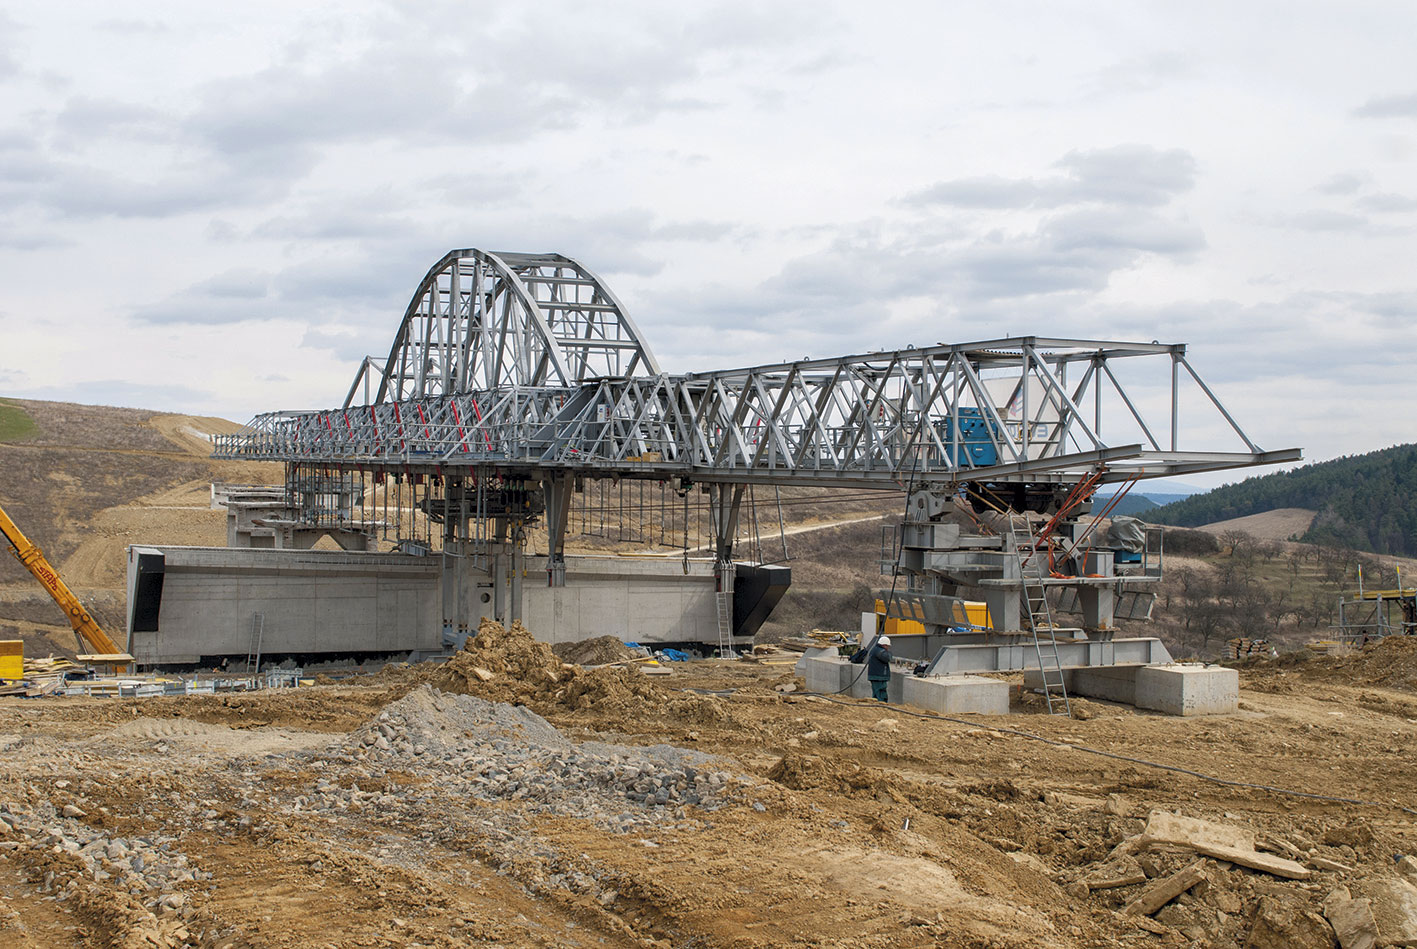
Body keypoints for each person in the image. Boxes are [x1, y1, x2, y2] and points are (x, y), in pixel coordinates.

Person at [851, 634, 893, 701]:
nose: (888, 648)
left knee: (877, 693)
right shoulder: (880, 651)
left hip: (876, 676)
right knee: (880, 694)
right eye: (887, 646)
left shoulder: (875, 650)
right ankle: (880, 707)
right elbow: (888, 658)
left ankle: (877, 706)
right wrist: (889, 654)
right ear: (884, 645)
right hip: (878, 676)